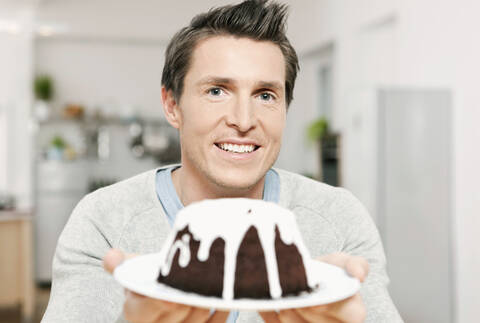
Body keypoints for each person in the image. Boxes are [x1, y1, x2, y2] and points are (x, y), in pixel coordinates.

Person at [42, 1, 402, 322]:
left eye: (265, 94)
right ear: (172, 105)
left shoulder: (339, 220)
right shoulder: (104, 222)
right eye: (216, 91)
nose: (243, 120)